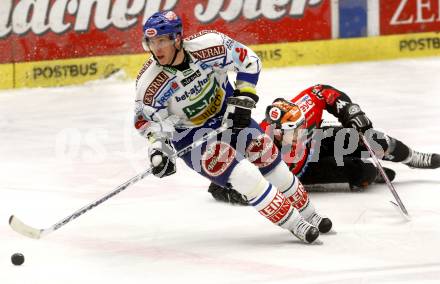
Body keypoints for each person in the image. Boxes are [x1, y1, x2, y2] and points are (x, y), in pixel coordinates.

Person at [134, 11, 333, 244]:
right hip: (191, 137)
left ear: (177, 39)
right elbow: (146, 120)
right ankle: (295, 224)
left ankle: (310, 214)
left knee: (268, 156)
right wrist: (159, 148)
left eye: (162, 41)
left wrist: (243, 98)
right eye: (151, 42)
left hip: (229, 118)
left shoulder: (210, 45)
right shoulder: (149, 83)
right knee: (246, 177)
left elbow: (249, 60)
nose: (156, 49)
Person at [208, 84, 440, 204]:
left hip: (316, 143)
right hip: (301, 173)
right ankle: (371, 172)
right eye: (295, 130)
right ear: (277, 133)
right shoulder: (258, 146)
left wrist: (350, 111)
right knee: (361, 172)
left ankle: (412, 157)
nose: (301, 131)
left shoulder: (303, 118)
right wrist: (237, 193)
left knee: (374, 140)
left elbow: (323, 92)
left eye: (302, 125)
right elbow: (218, 184)